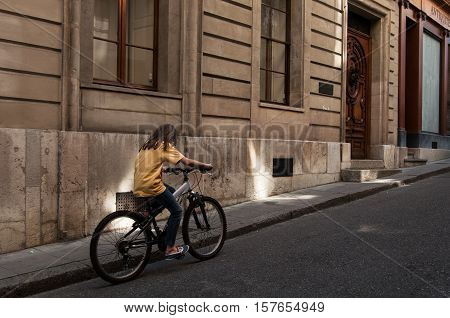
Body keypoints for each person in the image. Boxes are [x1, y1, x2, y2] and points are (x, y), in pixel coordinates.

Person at [133, 124, 212, 259]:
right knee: (177, 211)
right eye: (173, 138)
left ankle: (146, 215)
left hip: (140, 185)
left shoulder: (146, 146)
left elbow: (150, 164)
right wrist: (205, 165)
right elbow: (186, 161)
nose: (173, 141)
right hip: (153, 186)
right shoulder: (164, 146)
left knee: (172, 192)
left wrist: (163, 169)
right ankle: (170, 248)